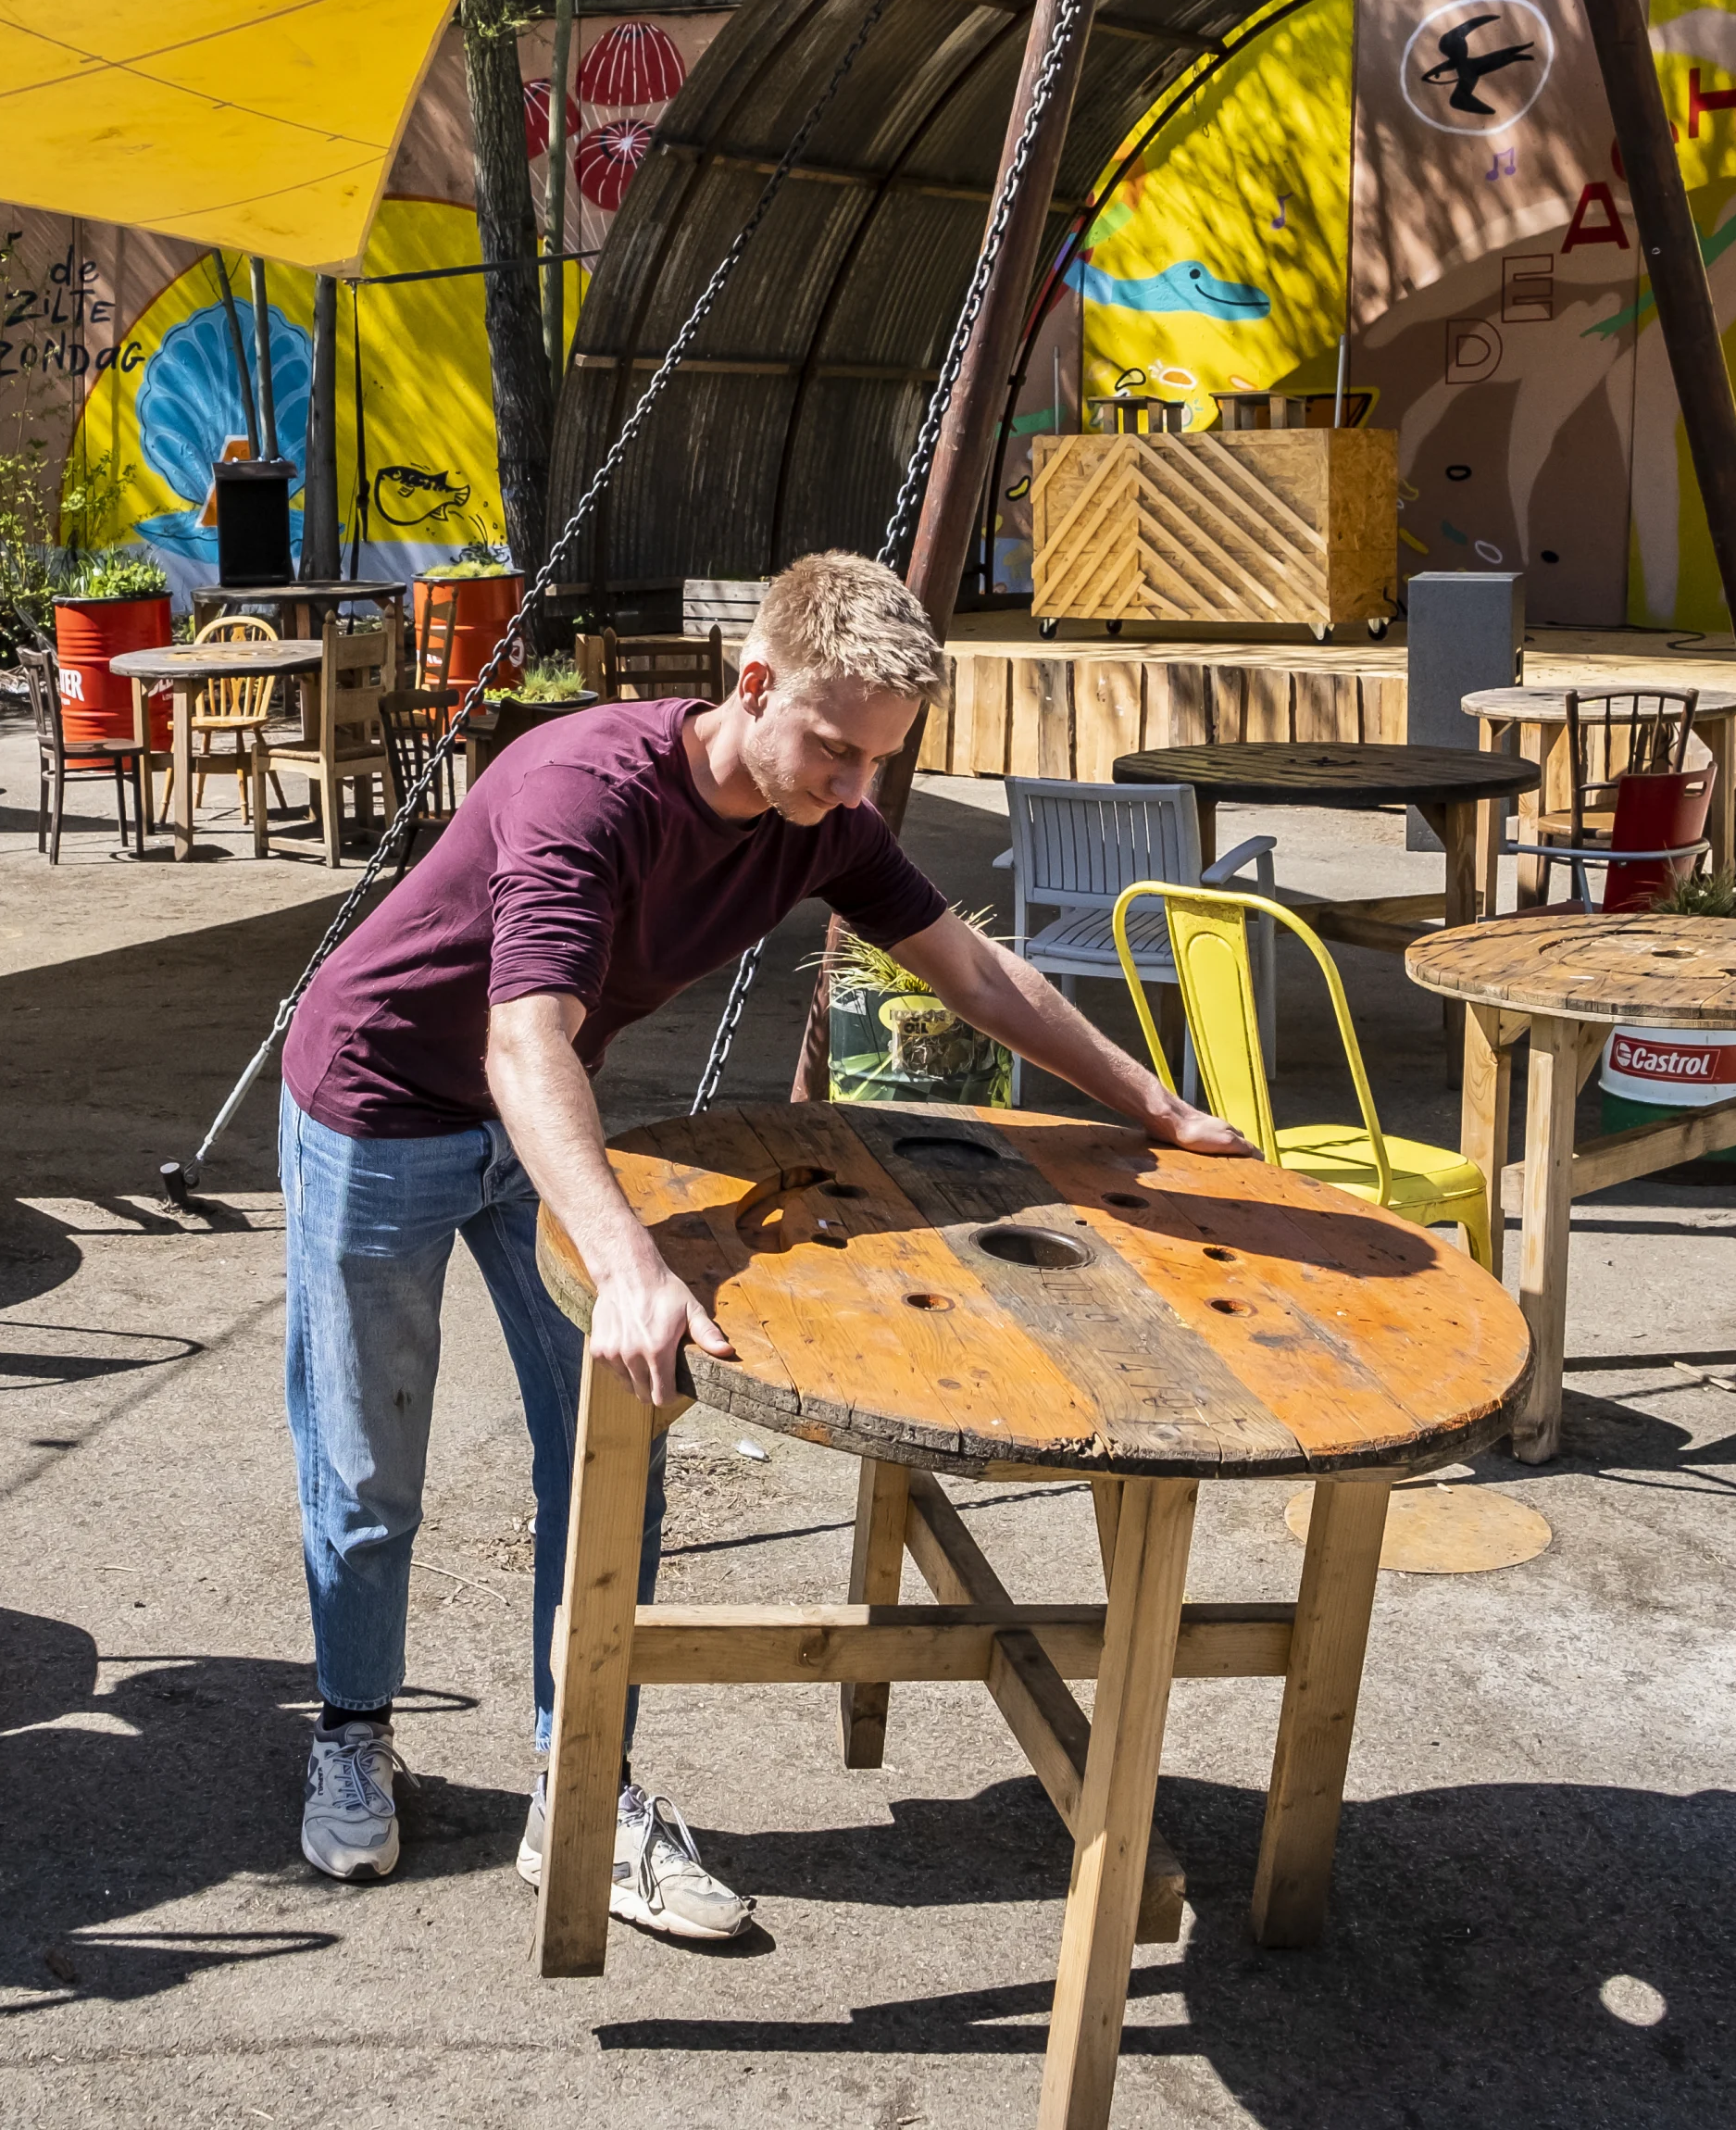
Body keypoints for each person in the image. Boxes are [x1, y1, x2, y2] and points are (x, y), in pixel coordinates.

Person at [275, 549, 1248, 1936]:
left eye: (878, 764)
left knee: (617, 1448)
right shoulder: (582, 793)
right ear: (753, 683)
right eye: (838, 752)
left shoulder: (823, 816)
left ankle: (584, 1786)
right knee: (369, 1469)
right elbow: (523, 1035)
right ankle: (354, 1730)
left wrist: (1150, 1104)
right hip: (380, 1105)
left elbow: (968, 968)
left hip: (539, 1125)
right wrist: (625, 1257)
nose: (855, 790)